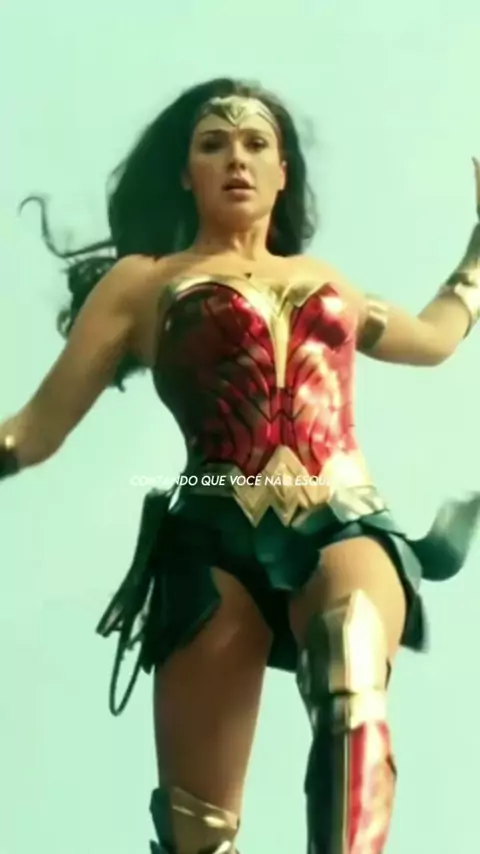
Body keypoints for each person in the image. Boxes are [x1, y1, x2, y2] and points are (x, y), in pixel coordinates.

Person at [1, 77, 480, 854]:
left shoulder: (327, 282)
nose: (236, 158)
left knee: (352, 650)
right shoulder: (143, 284)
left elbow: (434, 338)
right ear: (185, 171)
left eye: (256, 144)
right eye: (213, 144)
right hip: (209, 540)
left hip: (342, 520)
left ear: (283, 171)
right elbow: (32, 431)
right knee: (197, 827)